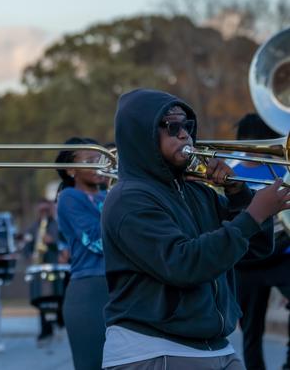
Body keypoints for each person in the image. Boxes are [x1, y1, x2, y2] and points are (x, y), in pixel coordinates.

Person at [102, 89, 286, 370]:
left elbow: (256, 248)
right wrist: (254, 213)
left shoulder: (197, 192)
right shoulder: (128, 199)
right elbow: (183, 264)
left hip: (215, 346)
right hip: (154, 349)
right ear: (144, 135)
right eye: (171, 126)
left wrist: (238, 193)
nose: (184, 134)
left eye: (186, 125)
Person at [229, 113, 290, 370]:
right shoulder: (229, 172)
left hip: (283, 254)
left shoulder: (283, 170)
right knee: (251, 329)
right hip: (247, 261)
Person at [54, 137, 110, 370]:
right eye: (90, 160)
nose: (99, 165)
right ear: (71, 170)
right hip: (90, 288)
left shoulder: (109, 195)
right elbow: (97, 242)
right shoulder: (69, 197)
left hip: (117, 284)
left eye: (101, 159)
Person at [21, 198, 65, 347]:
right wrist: (29, 255)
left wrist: (52, 242)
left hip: (56, 268)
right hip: (39, 268)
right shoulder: (32, 228)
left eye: (47, 210)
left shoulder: (59, 226)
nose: (44, 213)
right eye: (41, 211)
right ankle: (45, 331)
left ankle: (60, 324)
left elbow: (66, 244)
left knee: (58, 297)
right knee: (42, 299)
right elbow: (26, 248)